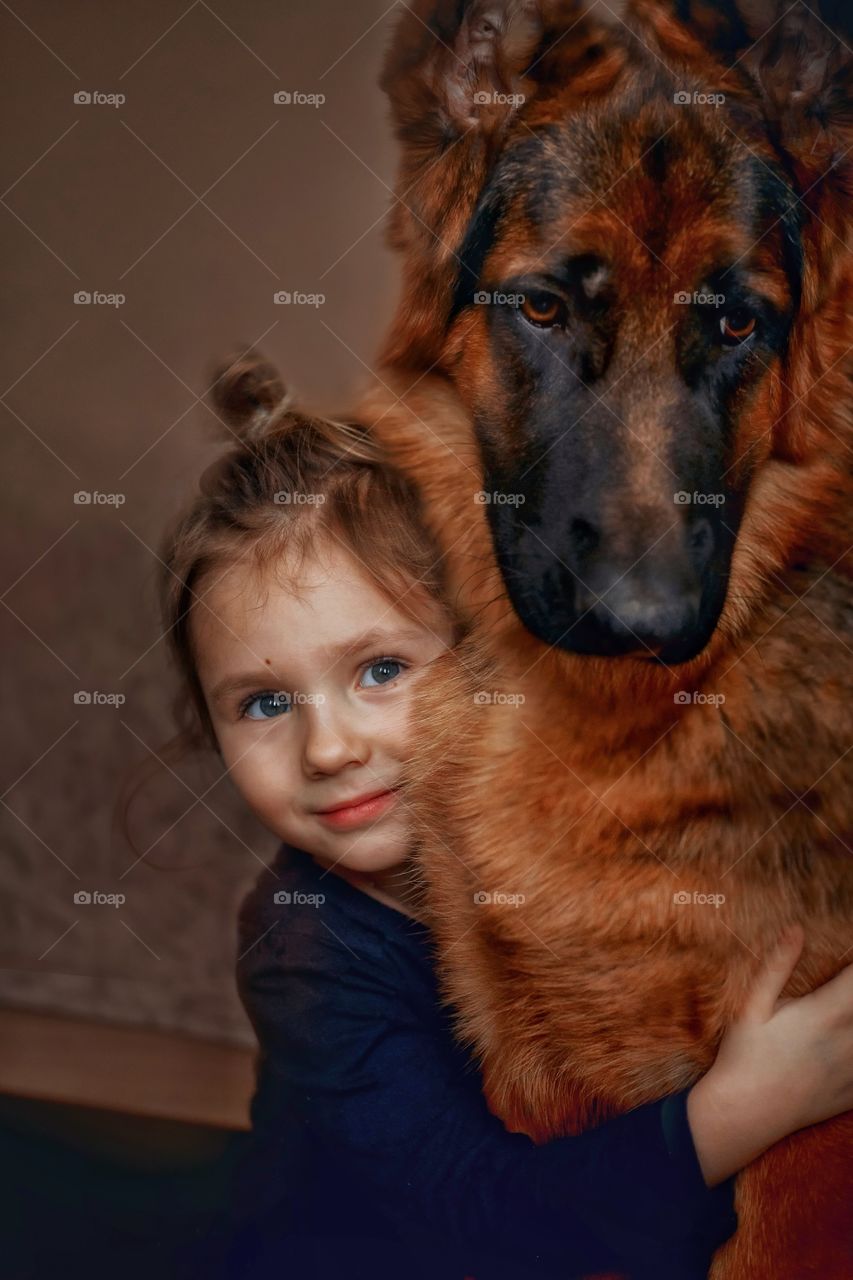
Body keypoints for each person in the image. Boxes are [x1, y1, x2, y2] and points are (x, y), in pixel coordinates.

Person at [155, 350, 853, 1280]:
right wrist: (747, 1106)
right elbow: (480, 1222)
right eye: (264, 704)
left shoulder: (572, 827)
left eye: (380, 671)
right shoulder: (304, 951)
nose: (328, 750)